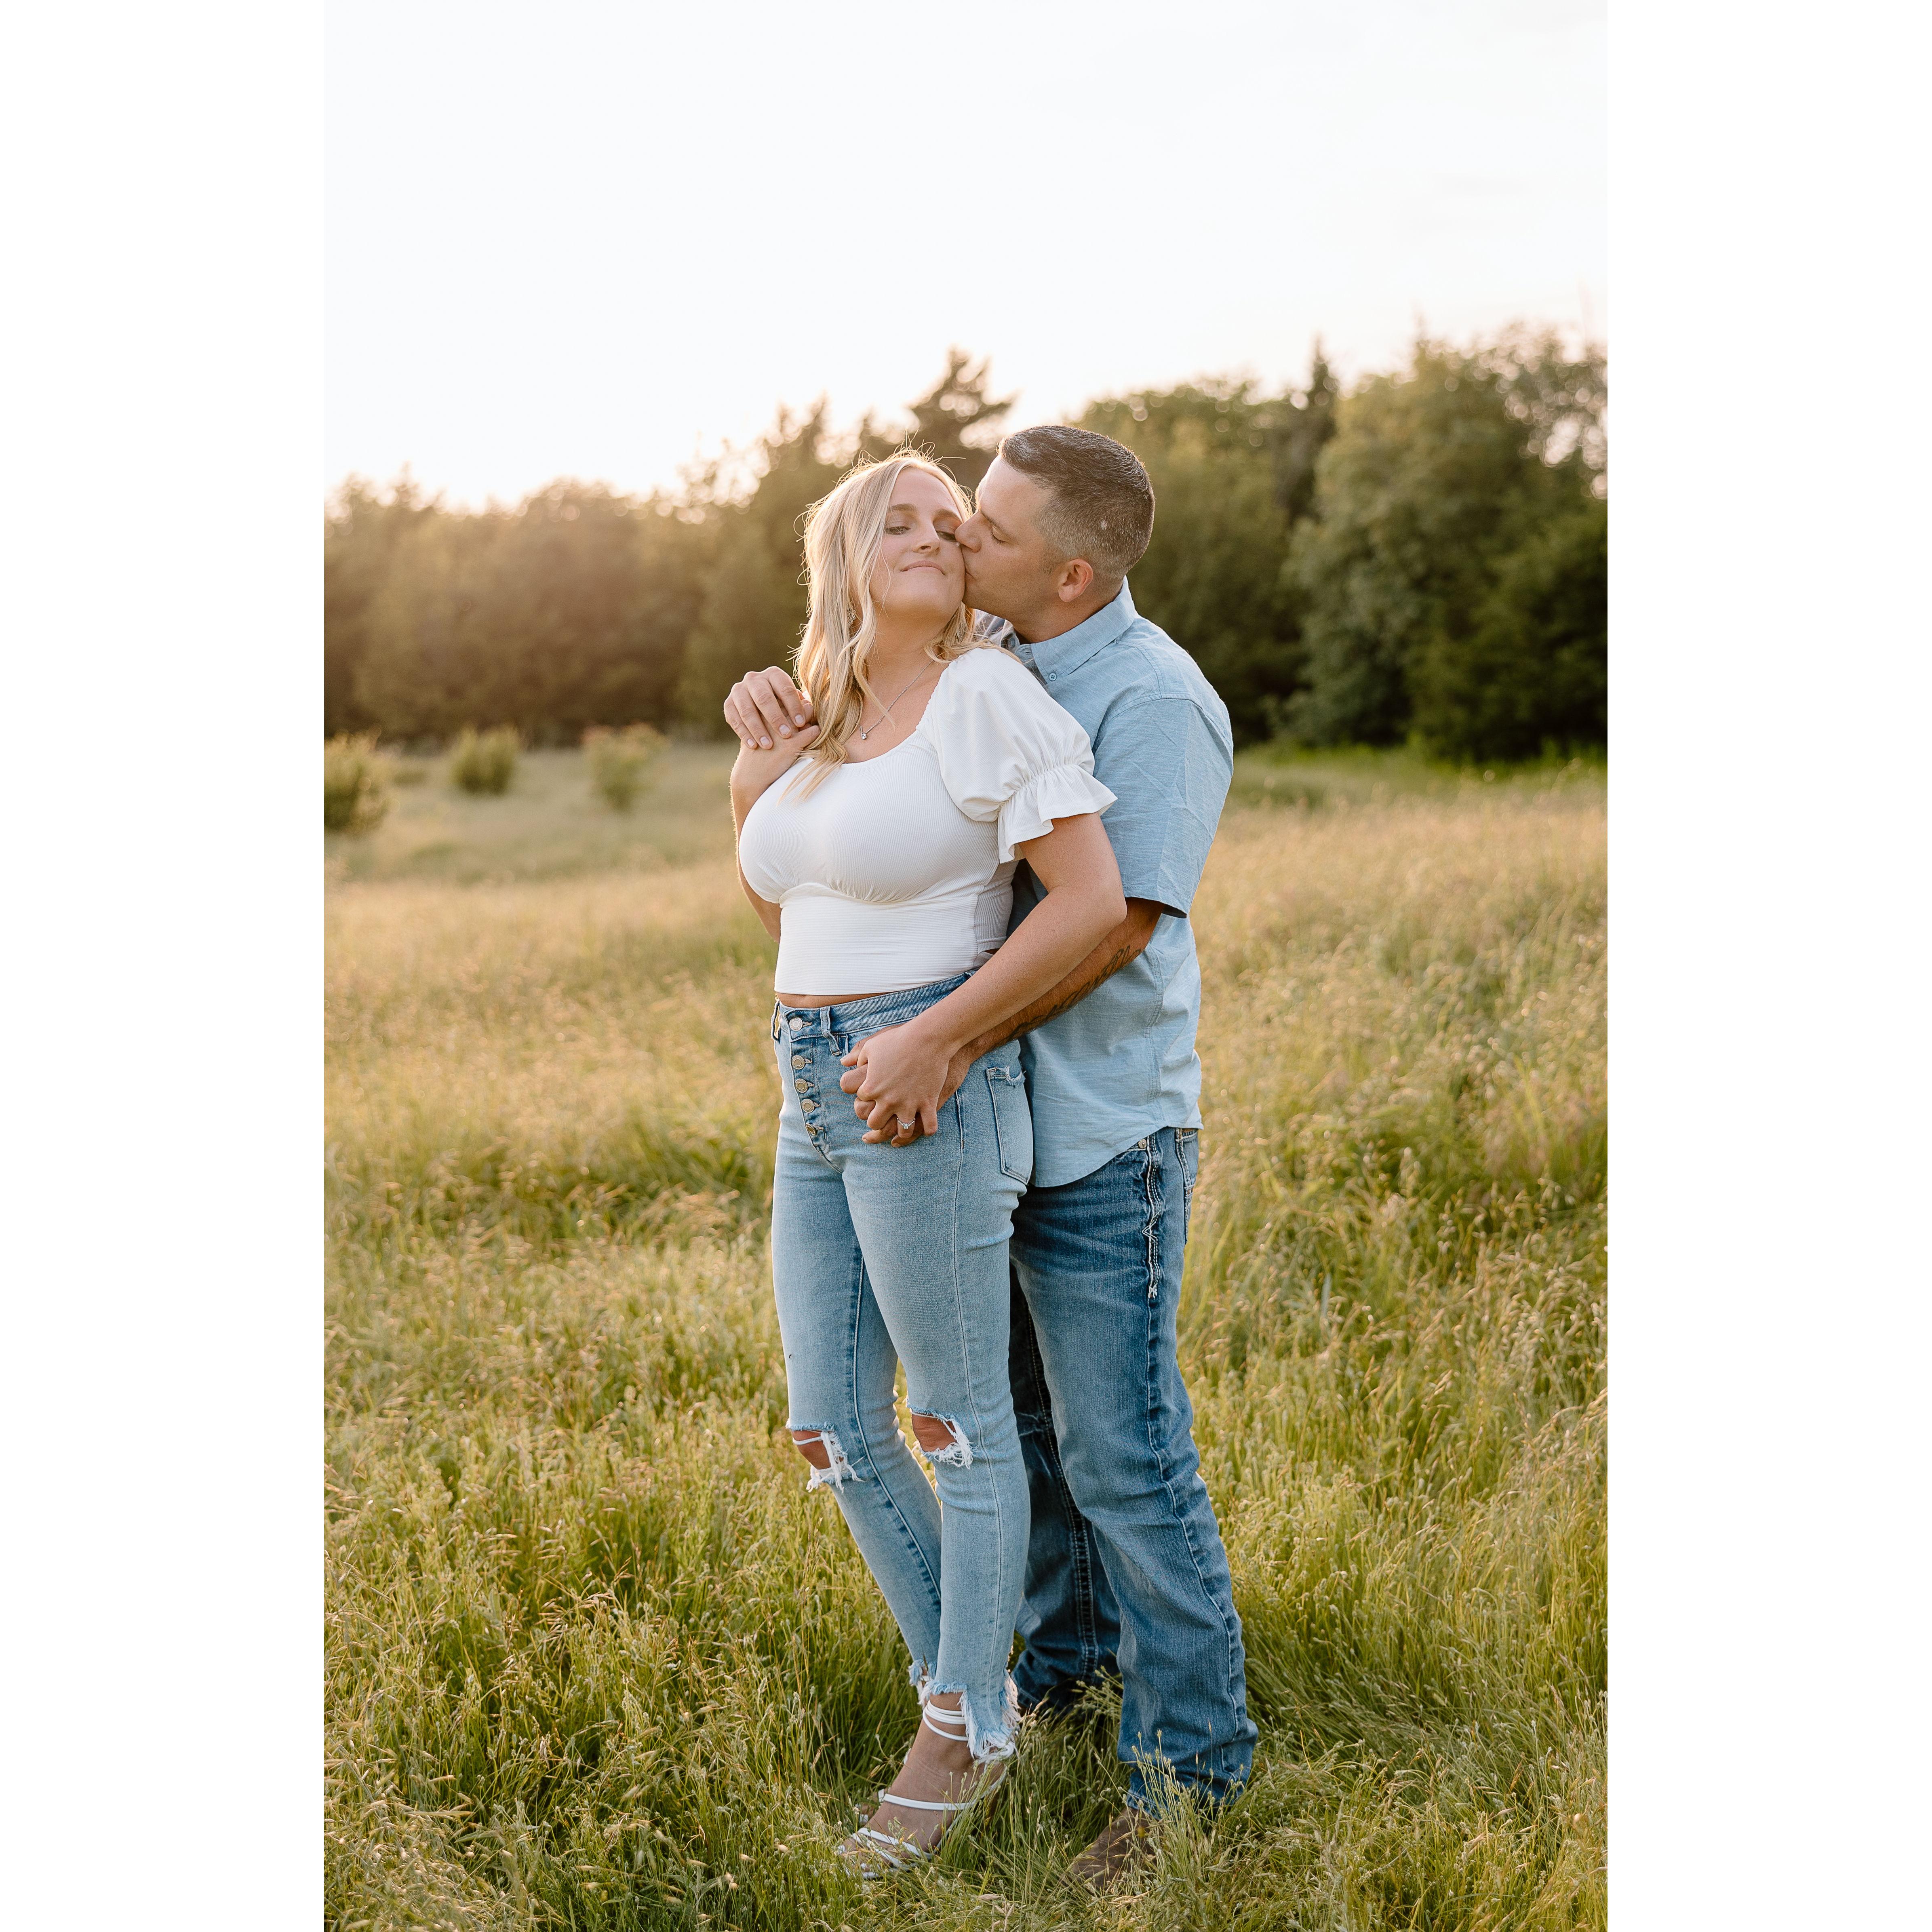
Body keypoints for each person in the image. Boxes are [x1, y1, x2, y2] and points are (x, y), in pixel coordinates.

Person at [725, 425, 1258, 1887]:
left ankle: (1189, 1778)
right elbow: (833, 887)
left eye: (985, 530)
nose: (959, 541)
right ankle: (1054, 1685)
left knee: (1120, 1457)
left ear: (1070, 574)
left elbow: (1113, 917)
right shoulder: (976, 663)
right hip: (931, 1095)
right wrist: (770, 763)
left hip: (1095, 1120)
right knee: (1007, 1432)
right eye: (943, 520)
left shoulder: (1147, 700)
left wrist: (942, 1041)